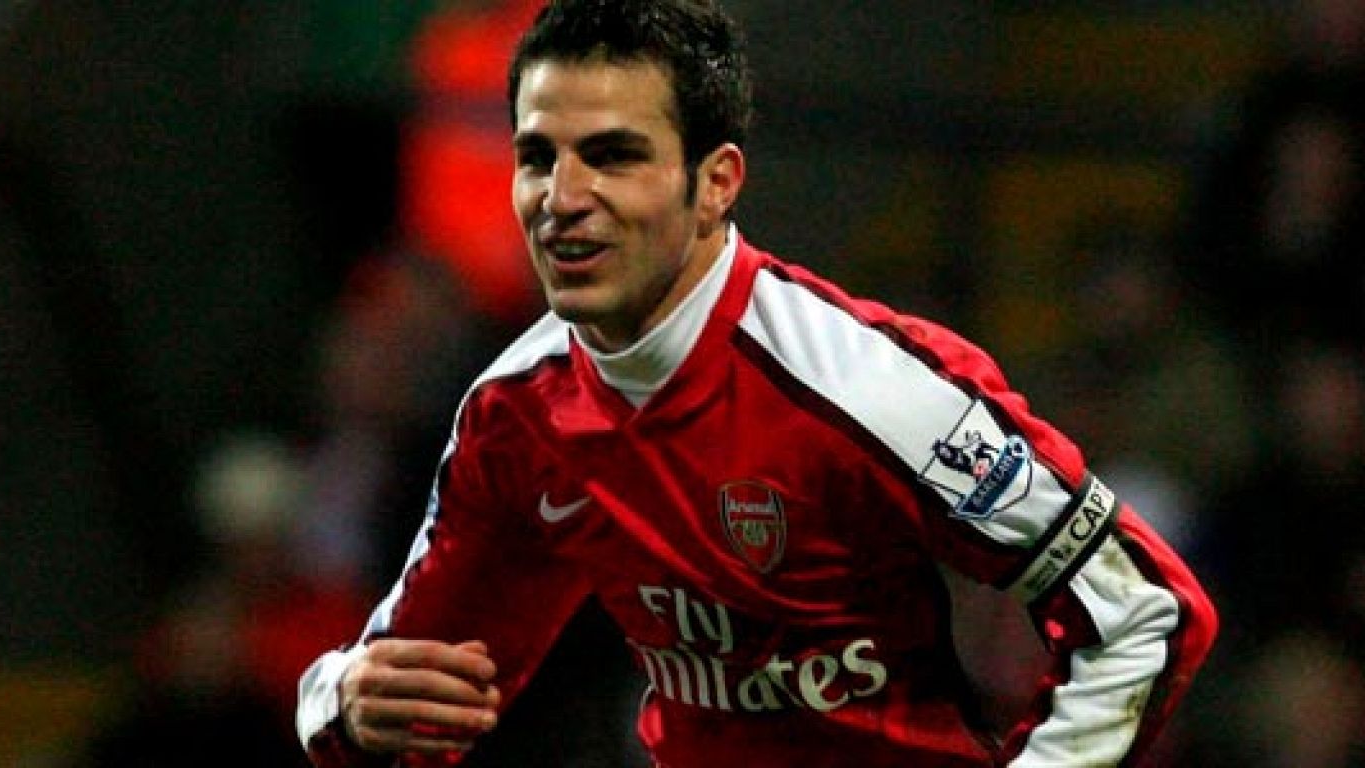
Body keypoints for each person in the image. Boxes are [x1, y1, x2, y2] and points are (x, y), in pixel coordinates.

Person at [296, 1, 1218, 765]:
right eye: (538, 157)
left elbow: (1145, 613)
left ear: (716, 183)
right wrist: (336, 698)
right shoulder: (513, 414)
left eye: (613, 155)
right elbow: (405, 689)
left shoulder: (869, 388)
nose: (561, 197)